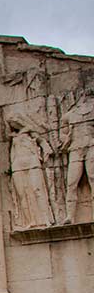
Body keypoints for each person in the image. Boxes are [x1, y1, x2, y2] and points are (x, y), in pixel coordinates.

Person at [60, 96, 94, 224]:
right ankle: (70, 216)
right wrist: (67, 138)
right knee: (71, 183)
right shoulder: (69, 115)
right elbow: (62, 135)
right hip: (75, 148)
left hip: (91, 145)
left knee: (93, 178)